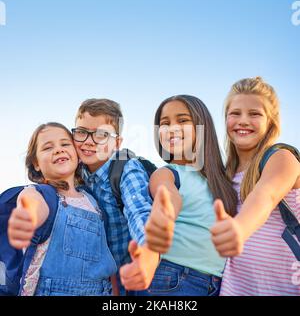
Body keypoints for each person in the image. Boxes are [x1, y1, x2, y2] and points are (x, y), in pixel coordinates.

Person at [210, 76, 300, 296]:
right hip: (233, 290)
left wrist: (239, 229)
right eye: (235, 113)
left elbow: (266, 195)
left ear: (271, 121)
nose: (243, 120)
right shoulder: (225, 172)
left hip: (283, 288)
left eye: (255, 114)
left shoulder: (281, 157)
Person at [140, 95, 237, 296]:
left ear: (202, 127)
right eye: (164, 124)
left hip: (218, 283)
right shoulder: (166, 173)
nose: (172, 128)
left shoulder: (221, 180)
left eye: (182, 120)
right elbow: (167, 197)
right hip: (173, 277)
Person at [8, 122, 117, 296]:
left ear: (77, 154)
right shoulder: (38, 193)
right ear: (36, 163)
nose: (58, 150)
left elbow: (106, 259)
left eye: (65, 144)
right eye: (47, 147)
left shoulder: (93, 202)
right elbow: (33, 205)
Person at [72, 99, 160, 294]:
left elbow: (140, 211)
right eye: (81, 132)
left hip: (141, 272)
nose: (89, 141)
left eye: (101, 135)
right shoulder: (76, 172)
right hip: (106, 279)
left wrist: (148, 250)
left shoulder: (125, 167)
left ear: (117, 143)